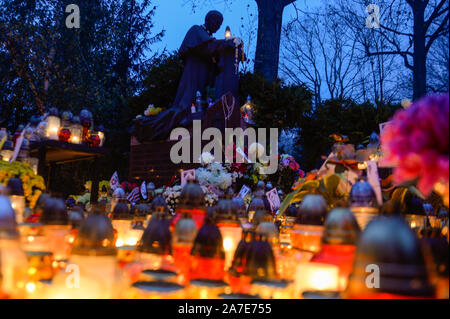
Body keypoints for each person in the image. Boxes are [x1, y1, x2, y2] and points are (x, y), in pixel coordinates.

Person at [132, 10, 236, 142]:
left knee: (202, 99)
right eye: (216, 21)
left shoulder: (209, 38)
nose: (217, 25)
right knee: (188, 100)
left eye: (219, 24)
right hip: (194, 72)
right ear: (208, 19)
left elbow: (213, 52)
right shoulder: (196, 31)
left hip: (205, 74)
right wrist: (226, 43)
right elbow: (208, 47)